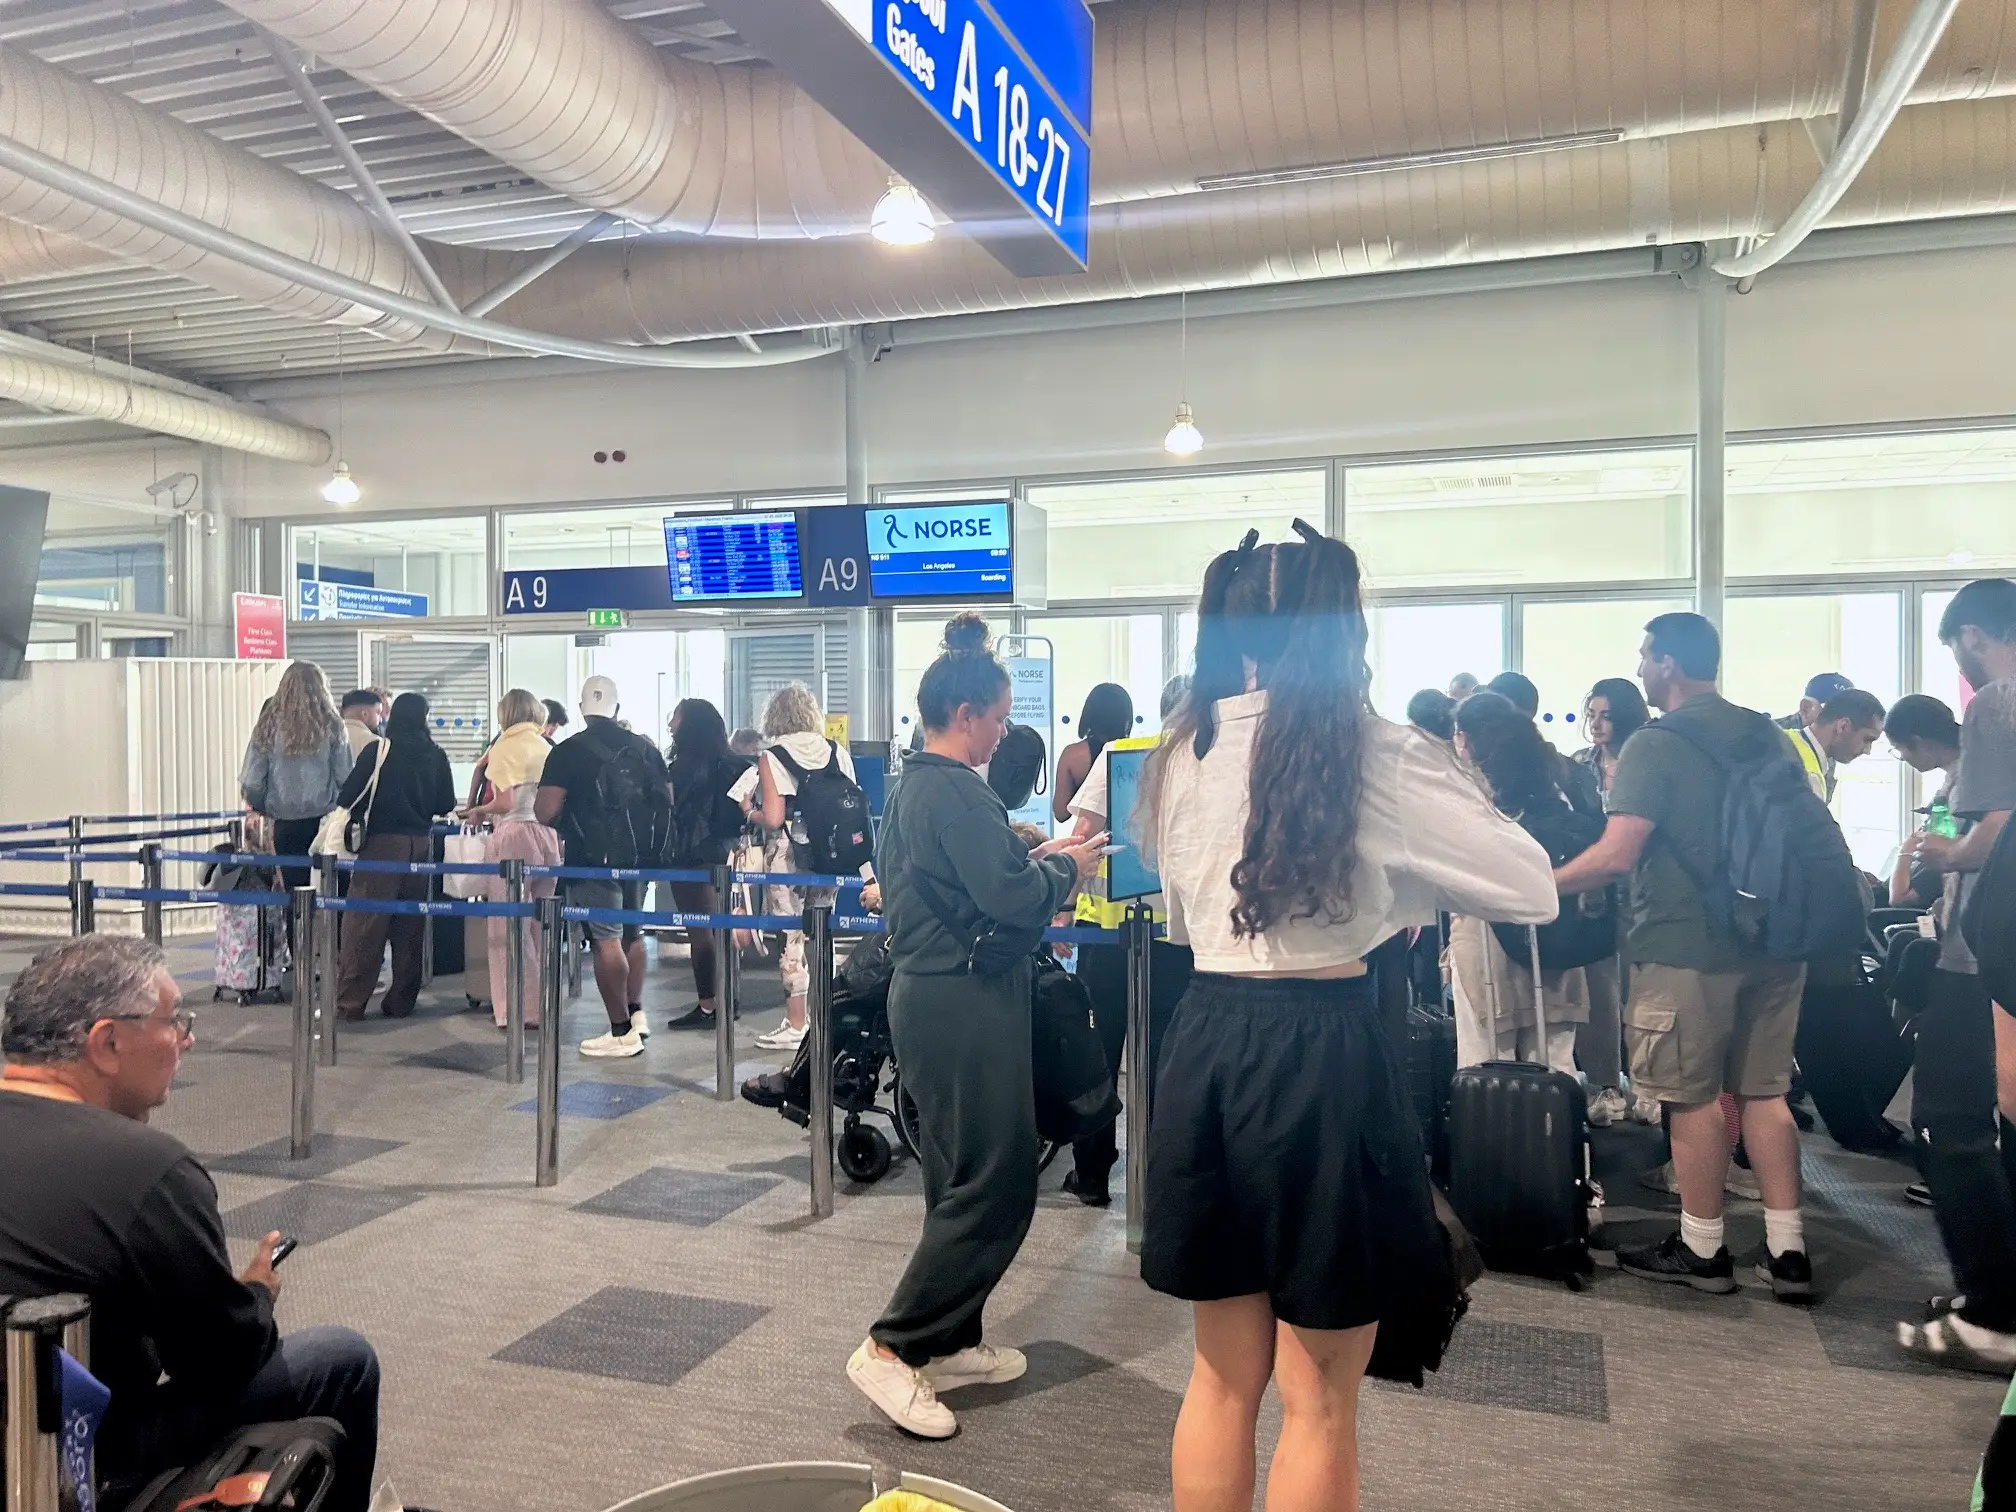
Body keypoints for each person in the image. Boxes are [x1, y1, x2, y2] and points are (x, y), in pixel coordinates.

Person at [1137, 523, 1556, 1512]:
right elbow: (1529, 884)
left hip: (1201, 1041)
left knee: (1219, 1375)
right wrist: (1394, 897)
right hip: (1320, 1050)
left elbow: (1186, 906)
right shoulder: (1372, 751)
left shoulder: (1177, 753)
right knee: (1319, 1394)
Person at [0, 937, 380, 1512]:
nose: (188, 1038)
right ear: (108, 1041)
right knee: (343, 1358)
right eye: (174, 1021)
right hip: (67, 1456)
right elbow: (218, 1362)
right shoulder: (145, 1169)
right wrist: (255, 1292)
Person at [845, 614, 1106, 1440]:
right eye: (997, 715)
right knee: (996, 1182)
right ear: (966, 715)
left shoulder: (915, 784)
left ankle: (950, 1340)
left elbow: (967, 884)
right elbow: (1009, 900)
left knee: (957, 1177)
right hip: (961, 1003)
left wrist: (1034, 861)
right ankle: (893, 1347)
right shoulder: (956, 791)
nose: (1004, 729)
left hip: (936, 996)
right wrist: (1069, 865)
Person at [1552, 612, 1814, 1301]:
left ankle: (1703, 1247)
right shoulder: (1768, 733)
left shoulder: (1655, 744)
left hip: (1686, 943)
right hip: (1776, 938)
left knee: (1690, 1096)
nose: (1640, 667)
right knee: (1765, 1091)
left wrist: (1538, 887)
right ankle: (1788, 1250)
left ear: (1669, 663)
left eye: (1645, 656)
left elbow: (1619, 851)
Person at [1897, 579, 2016, 1371]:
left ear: (1972, 638)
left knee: (1950, 1119)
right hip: (1978, 947)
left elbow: (1990, 828)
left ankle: (1993, 1310)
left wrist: (1943, 855)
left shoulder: (1997, 705)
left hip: (1981, 954)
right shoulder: (1948, 782)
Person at [1056, 676, 1200, 1208]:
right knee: (1170, 1055)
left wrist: (1063, 904)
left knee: (1099, 1052)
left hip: (1109, 933)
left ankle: (1094, 1174)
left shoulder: (1123, 754)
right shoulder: (1207, 761)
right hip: (1180, 939)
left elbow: (1080, 838)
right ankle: (1166, 1178)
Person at [1445, 691, 1594, 1076]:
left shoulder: (1469, 797)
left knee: (1487, 1067)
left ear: (1464, 738)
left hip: (1485, 943)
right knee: (1556, 1065)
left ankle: (1492, 1138)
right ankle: (1559, 1136)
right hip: (1556, 943)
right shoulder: (1553, 788)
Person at [536, 675, 673, 1058]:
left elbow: (545, 810)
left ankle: (619, 1031)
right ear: (617, 707)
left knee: (605, 940)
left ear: (582, 709)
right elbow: (667, 799)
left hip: (591, 860)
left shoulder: (567, 752)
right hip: (641, 859)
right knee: (634, 932)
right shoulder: (646, 748)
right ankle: (635, 1013)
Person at [729, 682, 861, 1054]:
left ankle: (797, 1022)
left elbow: (773, 818)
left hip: (789, 855)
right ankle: (826, 1016)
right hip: (831, 853)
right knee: (822, 932)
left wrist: (748, 811)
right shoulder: (837, 751)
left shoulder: (773, 756)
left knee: (790, 938)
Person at [332, 693, 456, 1021]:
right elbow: (444, 804)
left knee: (365, 926)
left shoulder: (379, 751)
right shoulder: (436, 755)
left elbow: (349, 795)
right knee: (410, 925)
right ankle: (401, 1000)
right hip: (420, 845)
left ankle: (351, 1004)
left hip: (382, 846)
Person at [1575, 677, 1653, 1125]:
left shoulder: (1647, 761)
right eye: (1593, 714)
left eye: (1607, 715)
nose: (1598, 724)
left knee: (1645, 992)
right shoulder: (1578, 766)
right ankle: (1605, 1082)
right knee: (1599, 991)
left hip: (1646, 890)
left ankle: (1647, 1085)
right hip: (1593, 892)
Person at [462, 689, 563, 1032]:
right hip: (548, 838)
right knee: (540, 926)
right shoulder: (547, 746)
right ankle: (543, 1004)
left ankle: (516, 1009)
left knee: (507, 928)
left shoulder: (505, 746)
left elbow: (505, 803)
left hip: (514, 837)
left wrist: (478, 809)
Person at [660, 698, 749, 1031]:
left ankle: (710, 1005)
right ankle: (729, 998)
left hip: (690, 856)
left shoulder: (681, 768)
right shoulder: (735, 764)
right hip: (730, 854)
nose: (671, 725)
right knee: (721, 928)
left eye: (676, 719)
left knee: (700, 931)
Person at [238, 660, 352, 899]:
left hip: (284, 823)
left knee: (293, 893)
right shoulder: (333, 724)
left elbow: (253, 781)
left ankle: (296, 934)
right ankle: (329, 936)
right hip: (324, 823)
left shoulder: (268, 725)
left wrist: (264, 806)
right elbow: (345, 777)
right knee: (331, 892)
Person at [1884, 693, 1964, 909]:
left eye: (1899, 750)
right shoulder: (1956, 778)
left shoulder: (1963, 790)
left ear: (1919, 743)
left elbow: (1899, 899)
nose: (1902, 758)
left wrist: (1907, 848)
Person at [1786, 687, 1888, 802]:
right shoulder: (1810, 778)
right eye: (1867, 739)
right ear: (1843, 727)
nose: (1867, 750)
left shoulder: (1781, 738)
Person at [1052, 682, 1135, 823]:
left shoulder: (1073, 755)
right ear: (1126, 716)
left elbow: (1061, 814)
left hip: (1090, 838)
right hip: (1132, 836)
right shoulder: (1136, 752)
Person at [339, 688, 385, 757]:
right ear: (364, 714)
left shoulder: (327, 738)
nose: (381, 719)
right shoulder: (375, 742)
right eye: (378, 712)